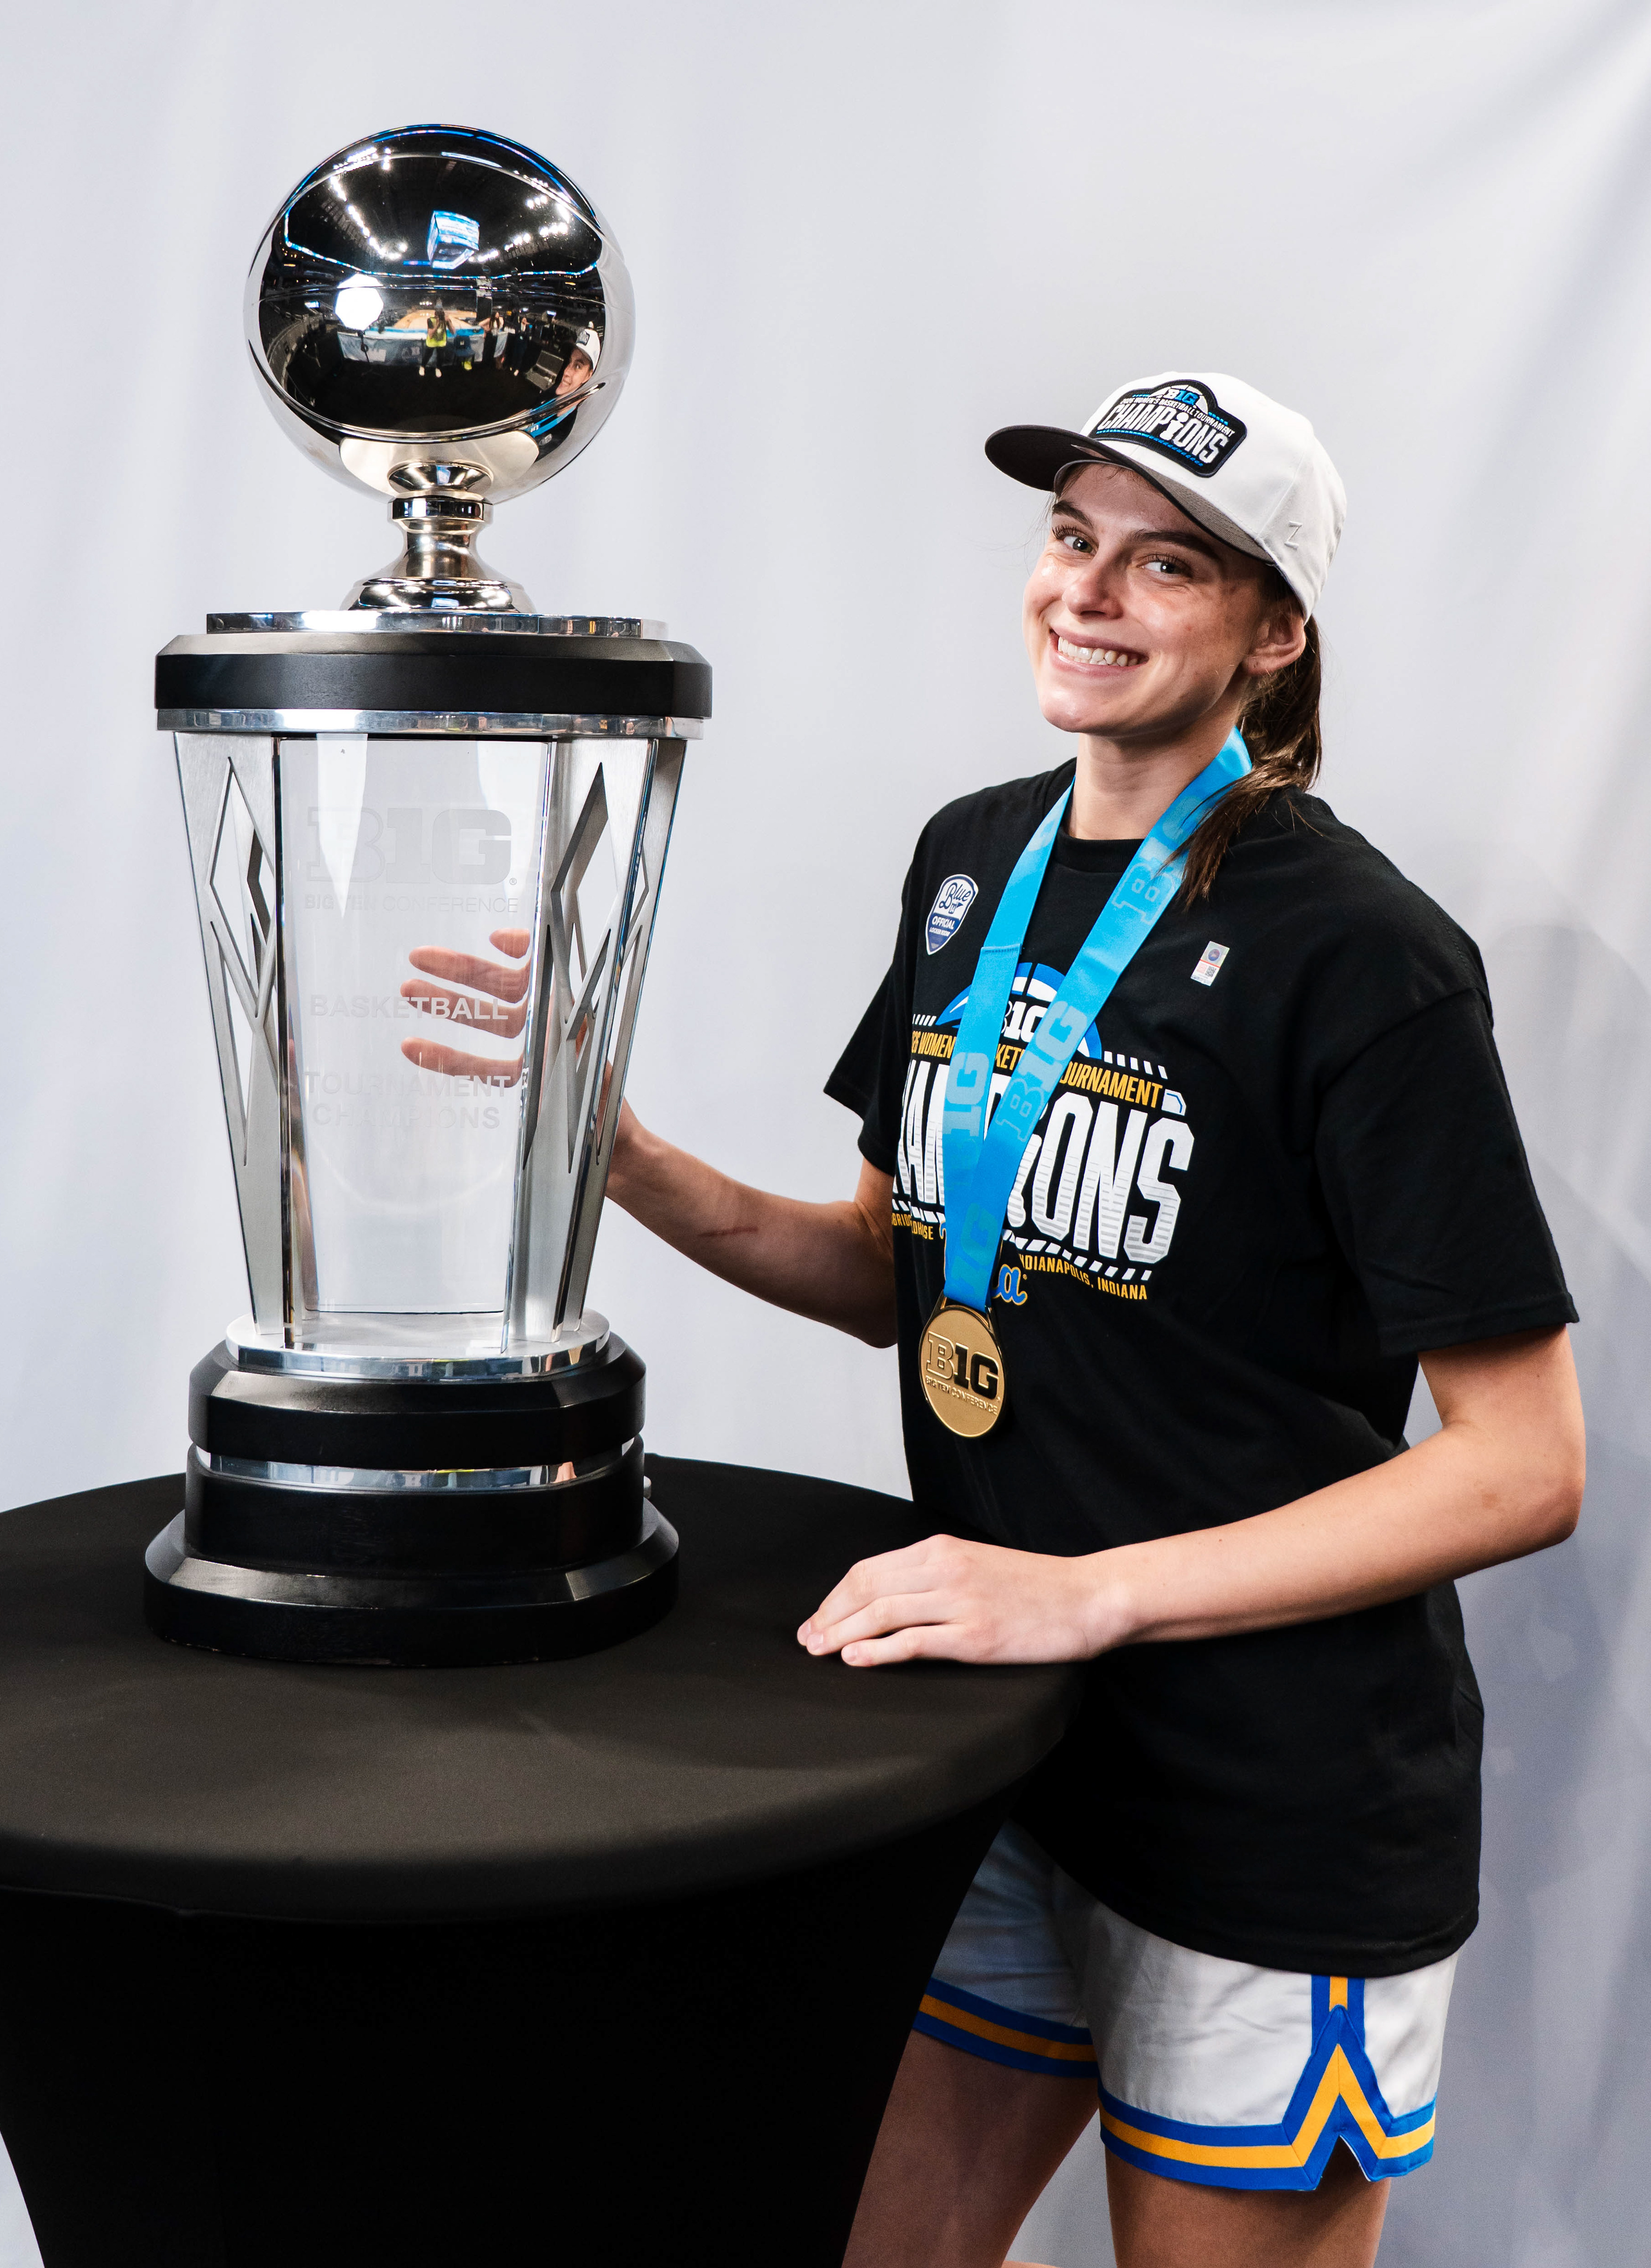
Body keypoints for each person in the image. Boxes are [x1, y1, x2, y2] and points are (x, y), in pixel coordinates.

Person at [601, 370, 1585, 2268]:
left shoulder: (1360, 954)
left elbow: (1523, 1467)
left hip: (1265, 1800)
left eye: (1170, 564)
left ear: (1275, 633)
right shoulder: (972, 862)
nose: (1090, 592)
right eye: (1072, 538)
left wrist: (1089, 1592)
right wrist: (622, 1159)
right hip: (1007, 1745)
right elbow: (898, 1268)